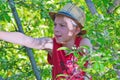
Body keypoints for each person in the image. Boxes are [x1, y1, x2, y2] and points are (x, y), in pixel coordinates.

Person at [0, 3, 92, 80]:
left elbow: (88, 54)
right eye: (55, 25)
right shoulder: (53, 45)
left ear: (76, 30)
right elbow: (26, 40)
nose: (56, 29)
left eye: (62, 25)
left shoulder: (83, 42)